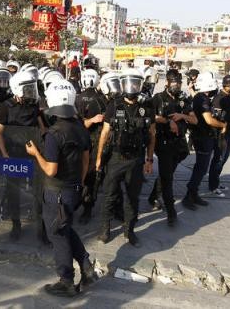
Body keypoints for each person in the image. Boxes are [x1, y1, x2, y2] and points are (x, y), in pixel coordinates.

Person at [25, 78, 99, 297]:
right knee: (65, 228)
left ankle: (66, 280)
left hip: (56, 192)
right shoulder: (80, 128)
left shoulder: (53, 134)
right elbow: (86, 160)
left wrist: (35, 153)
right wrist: (79, 181)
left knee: (57, 234)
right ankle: (86, 268)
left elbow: (50, 170)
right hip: (74, 188)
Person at [96, 68, 155, 247]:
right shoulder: (115, 105)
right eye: (130, 82)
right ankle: (105, 229)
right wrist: (99, 158)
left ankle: (129, 230)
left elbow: (152, 134)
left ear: (140, 84)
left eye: (136, 82)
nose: (132, 86)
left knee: (132, 197)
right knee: (109, 195)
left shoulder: (146, 105)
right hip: (116, 157)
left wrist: (149, 159)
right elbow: (105, 133)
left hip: (136, 158)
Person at [0, 70, 47, 242]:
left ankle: (42, 229)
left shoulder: (33, 105)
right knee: (13, 193)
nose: (31, 91)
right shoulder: (6, 106)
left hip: (32, 155)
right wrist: (5, 154)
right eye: (27, 89)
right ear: (17, 89)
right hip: (13, 155)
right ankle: (16, 225)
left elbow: (43, 129)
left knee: (38, 192)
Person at [148, 70, 197, 225]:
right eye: (174, 82)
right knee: (168, 178)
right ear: (167, 82)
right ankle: (171, 212)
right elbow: (150, 116)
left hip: (180, 146)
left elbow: (194, 120)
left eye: (179, 82)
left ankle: (152, 197)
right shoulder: (158, 99)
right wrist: (167, 121)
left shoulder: (183, 99)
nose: (177, 85)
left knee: (166, 174)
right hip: (163, 144)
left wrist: (182, 116)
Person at [182, 72, 225, 211]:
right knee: (201, 168)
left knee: (200, 168)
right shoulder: (204, 99)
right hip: (203, 137)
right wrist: (223, 125)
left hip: (201, 136)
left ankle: (193, 194)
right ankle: (189, 196)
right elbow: (208, 120)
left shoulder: (198, 97)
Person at [75, 69, 105, 224]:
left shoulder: (77, 98)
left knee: (80, 174)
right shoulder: (102, 99)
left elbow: (75, 122)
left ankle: (77, 202)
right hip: (95, 141)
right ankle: (87, 207)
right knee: (92, 177)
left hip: (79, 141)